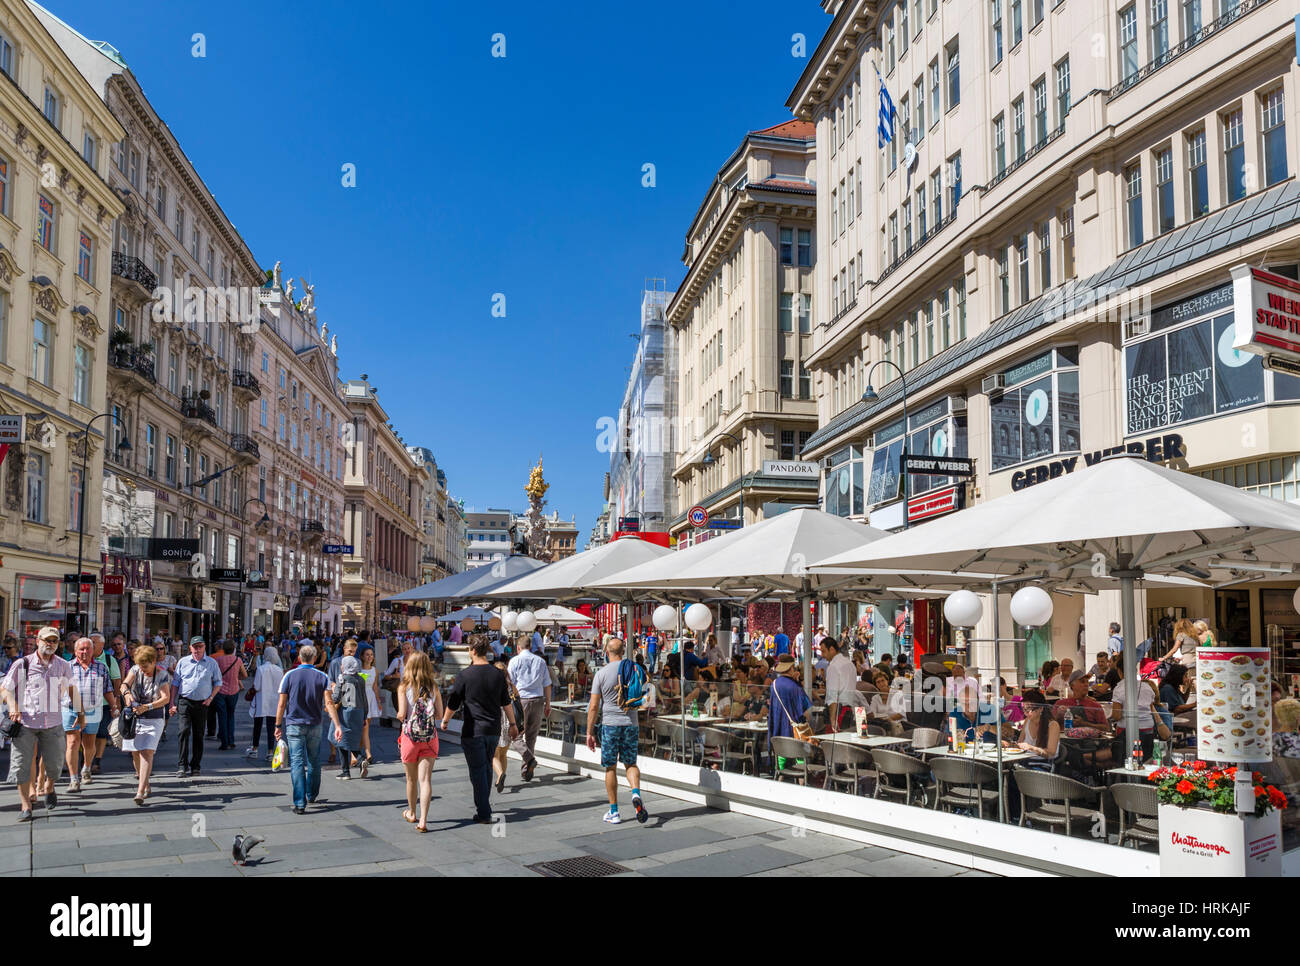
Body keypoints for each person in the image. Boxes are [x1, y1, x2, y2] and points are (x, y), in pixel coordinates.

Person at [2, 627, 77, 819]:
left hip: (53, 723)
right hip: (25, 723)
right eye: (46, 640)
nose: (50, 644)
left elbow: (72, 690)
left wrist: (81, 713)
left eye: (54, 641)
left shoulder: (63, 665)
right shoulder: (23, 663)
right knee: (21, 766)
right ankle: (26, 806)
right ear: (38, 641)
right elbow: (6, 689)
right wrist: (13, 706)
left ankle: (49, 786)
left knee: (55, 765)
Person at [441, 637, 519, 824]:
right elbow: (506, 702)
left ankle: (484, 811)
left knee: (477, 770)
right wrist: (513, 724)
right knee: (485, 768)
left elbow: (453, 702)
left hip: (473, 730)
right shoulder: (497, 674)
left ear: (473, 651)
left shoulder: (465, 675)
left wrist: (445, 721)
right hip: (493, 729)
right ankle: (483, 806)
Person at [585, 636, 649, 825]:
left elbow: (594, 706)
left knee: (610, 767)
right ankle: (635, 792)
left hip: (610, 725)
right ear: (623, 651)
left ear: (606, 651)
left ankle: (614, 811)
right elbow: (645, 697)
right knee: (630, 764)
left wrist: (589, 732)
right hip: (631, 723)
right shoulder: (634, 669)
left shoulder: (601, 674)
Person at [275, 643, 340, 814]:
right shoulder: (322, 676)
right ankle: (311, 794)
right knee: (314, 760)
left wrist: (277, 725)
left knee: (297, 762)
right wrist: (337, 724)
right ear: (315, 658)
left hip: (294, 724)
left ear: (299, 657)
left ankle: (299, 802)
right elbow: (328, 702)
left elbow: (282, 704)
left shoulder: (289, 675)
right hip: (315, 723)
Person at [395, 650, 443, 831]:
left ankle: (412, 813)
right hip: (430, 737)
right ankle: (423, 820)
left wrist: (406, 715)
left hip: (409, 737)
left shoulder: (403, 687)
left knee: (410, 779)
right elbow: (439, 714)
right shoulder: (434, 687)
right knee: (426, 780)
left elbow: (400, 714)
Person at [65, 637, 118, 793]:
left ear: (93, 650)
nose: (85, 652)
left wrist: (114, 707)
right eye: (81, 649)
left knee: (89, 744)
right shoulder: (67, 667)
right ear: (75, 651)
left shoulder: (101, 667)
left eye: (88, 648)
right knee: (73, 742)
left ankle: (86, 768)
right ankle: (74, 779)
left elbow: (108, 689)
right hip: (71, 709)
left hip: (93, 709)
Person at [121, 644, 170, 806]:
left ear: (154, 661)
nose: (143, 670)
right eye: (141, 667)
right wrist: (127, 694)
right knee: (135, 752)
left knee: (147, 752)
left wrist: (147, 706)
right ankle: (146, 783)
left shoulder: (162, 674)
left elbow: (165, 698)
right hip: (135, 716)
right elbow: (124, 685)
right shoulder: (135, 670)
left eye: (146, 667)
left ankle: (140, 791)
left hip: (154, 717)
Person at [172, 636, 222, 778]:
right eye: (195, 647)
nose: (197, 649)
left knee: (198, 734)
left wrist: (211, 697)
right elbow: (175, 683)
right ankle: (182, 765)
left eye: (200, 646)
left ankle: (195, 765)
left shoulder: (211, 663)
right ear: (190, 648)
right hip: (185, 701)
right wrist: (172, 703)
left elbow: (218, 682)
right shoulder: (183, 662)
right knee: (183, 732)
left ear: (205, 647)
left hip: (202, 703)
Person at [507, 636, 551, 783]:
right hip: (538, 699)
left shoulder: (514, 661)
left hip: (521, 700)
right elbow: (547, 684)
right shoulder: (540, 661)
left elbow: (510, 682)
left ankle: (529, 758)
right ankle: (526, 769)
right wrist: (548, 704)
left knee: (515, 734)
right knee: (531, 736)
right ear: (531, 647)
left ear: (518, 648)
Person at [767, 656, 812, 769]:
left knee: (781, 759)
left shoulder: (774, 684)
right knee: (800, 759)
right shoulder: (795, 686)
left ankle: (779, 780)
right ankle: (802, 783)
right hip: (795, 731)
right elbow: (805, 709)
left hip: (779, 729)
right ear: (791, 667)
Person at [331, 656, 369, 780]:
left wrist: (330, 695)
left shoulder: (342, 678)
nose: (341, 666)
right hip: (359, 712)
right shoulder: (361, 679)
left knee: (339, 739)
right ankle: (360, 759)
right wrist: (365, 715)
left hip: (345, 713)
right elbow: (364, 698)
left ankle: (347, 769)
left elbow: (336, 698)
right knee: (350, 739)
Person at [88, 633, 121, 775]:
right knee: (88, 733)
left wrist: (116, 700)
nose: (91, 645)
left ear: (102, 645)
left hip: (104, 703)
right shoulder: (82, 657)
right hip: (86, 703)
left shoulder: (109, 660)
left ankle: (97, 760)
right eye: (90, 642)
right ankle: (87, 760)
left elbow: (116, 680)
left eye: (94, 642)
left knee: (101, 733)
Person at [247, 646, 284, 760]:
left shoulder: (261, 669)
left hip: (261, 699)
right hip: (274, 701)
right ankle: (270, 751)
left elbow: (257, 686)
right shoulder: (279, 670)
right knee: (272, 726)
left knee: (257, 725)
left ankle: (255, 749)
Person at [1013, 689, 1061, 768]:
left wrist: (1032, 748)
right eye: (1024, 709)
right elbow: (1019, 743)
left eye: (1029, 709)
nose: (1026, 713)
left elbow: (1051, 753)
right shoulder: (1027, 721)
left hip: (1043, 765)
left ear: (1041, 709)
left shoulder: (1053, 725)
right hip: (1026, 762)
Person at [212, 640, 246, 751]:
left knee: (222, 716)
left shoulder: (217, 660)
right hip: (233, 691)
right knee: (231, 716)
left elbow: (213, 676)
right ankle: (231, 741)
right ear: (233, 649)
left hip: (220, 691)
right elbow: (245, 675)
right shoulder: (238, 660)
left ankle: (224, 742)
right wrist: (237, 678)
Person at [823, 639, 858, 731]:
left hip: (838, 711)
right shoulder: (850, 664)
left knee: (834, 743)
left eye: (824, 651)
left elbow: (832, 695)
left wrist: (832, 719)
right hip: (849, 709)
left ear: (832, 649)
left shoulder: (833, 666)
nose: (822, 655)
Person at [358, 646, 380, 764]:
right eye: (367, 654)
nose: (370, 657)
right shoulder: (359, 670)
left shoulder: (374, 670)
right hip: (361, 699)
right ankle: (368, 753)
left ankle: (359, 750)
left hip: (370, 698)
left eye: (371, 654)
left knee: (365, 727)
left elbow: (375, 686)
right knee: (364, 727)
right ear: (362, 656)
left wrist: (378, 701)